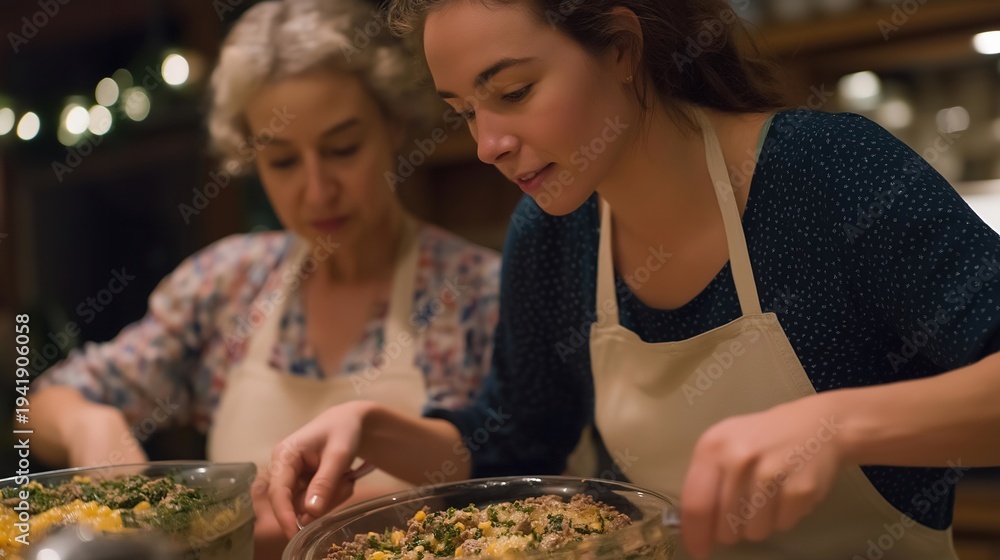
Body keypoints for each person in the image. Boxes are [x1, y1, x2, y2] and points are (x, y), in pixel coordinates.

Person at [266, 0, 1000, 558]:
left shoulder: (825, 173)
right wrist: (375, 429)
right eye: (464, 112)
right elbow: (517, 449)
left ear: (620, 48)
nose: (488, 144)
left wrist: (839, 425)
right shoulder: (556, 234)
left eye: (513, 91)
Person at [27, 0, 500, 557]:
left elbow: (499, 475)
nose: (318, 189)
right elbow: (42, 403)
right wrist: (91, 424)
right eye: (282, 161)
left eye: (343, 148)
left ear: (394, 125)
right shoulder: (226, 284)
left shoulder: (474, 290)